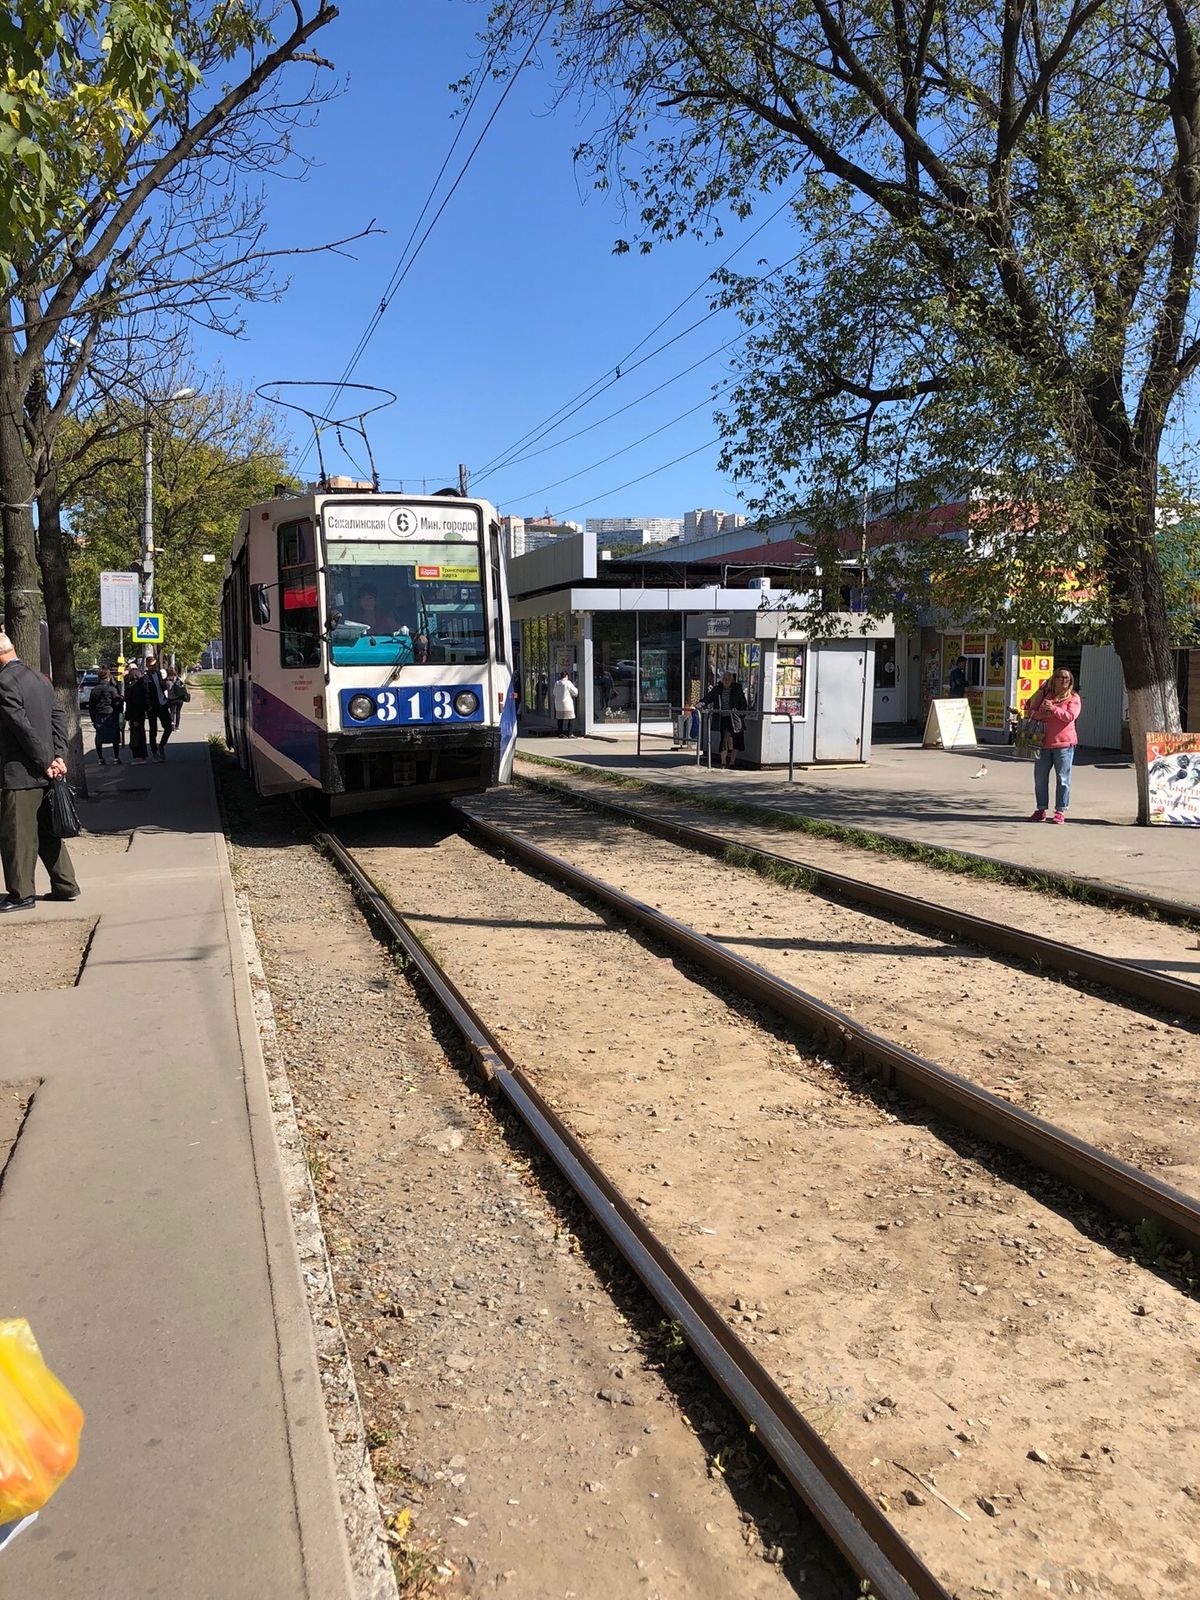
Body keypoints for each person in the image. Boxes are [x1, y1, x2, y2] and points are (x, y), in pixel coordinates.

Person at [0, 631, 80, 912]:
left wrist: (47, 759)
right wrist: (59, 755)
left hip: (20, 773)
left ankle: (21, 894)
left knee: (17, 835)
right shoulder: (38, 678)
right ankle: (65, 884)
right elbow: (57, 717)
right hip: (47, 771)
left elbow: (21, 728)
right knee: (48, 831)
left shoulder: (3, 682)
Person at [1027, 668, 1082, 823]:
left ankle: (1060, 810)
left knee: (1063, 779)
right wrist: (1041, 714)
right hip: (1042, 742)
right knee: (1040, 779)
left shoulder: (1073, 698)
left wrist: (1054, 709)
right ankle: (1041, 809)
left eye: (1066, 678)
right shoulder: (1046, 695)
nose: (1063, 680)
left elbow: (1070, 716)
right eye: (1059, 677)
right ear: (1054, 679)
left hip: (1064, 744)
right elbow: (1030, 711)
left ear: (1070, 682)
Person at [701, 670, 749, 769]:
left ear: (732, 680)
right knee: (724, 740)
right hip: (724, 718)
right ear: (722, 680)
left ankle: (732, 762)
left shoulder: (737, 689)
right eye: (725, 679)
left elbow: (743, 704)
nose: (726, 681)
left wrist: (741, 715)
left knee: (737, 740)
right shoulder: (717, 689)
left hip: (735, 718)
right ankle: (723, 762)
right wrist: (700, 704)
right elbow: (708, 698)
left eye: (728, 679)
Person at [89, 667, 123, 765]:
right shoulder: (112, 689)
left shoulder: (94, 690)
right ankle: (116, 758)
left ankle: (100, 758)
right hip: (111, 714)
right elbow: (116, 703)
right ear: (108, 677)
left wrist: (93, 719)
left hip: (99, 715)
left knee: (99, 738)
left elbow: (91, 706)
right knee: (115, 737)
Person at [142, 654, 172, 761]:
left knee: (168, 727)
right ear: (147, 665)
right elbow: (145, 693)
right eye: (150, 666)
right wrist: (147, 706)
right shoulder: (145, 677)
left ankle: (162, 745)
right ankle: (154, 751)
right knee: (153, 730)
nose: (153, 668)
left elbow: (162, 687)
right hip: (152, 707)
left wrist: (166, 683)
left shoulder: (158, 674)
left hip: (162, 704)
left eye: (154, 665)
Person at [123, 664, 148, 763]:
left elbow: (134, 703)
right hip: (138, 714)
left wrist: (135, 718)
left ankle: (139, 756)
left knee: (136, 735)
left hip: (135, 715)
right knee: (139, 734)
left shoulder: (133, 687)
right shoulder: (140, 685)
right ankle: (141, 755)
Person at [551, 669, 578, 737]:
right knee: (571, 718)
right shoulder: (568, 683)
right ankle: (570, 733)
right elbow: (575, 692)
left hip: (558, 704)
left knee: (560, 719)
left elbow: (554, 693)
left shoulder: (557, 683)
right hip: (567, 704)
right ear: (566, 676)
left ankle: (560, 733)